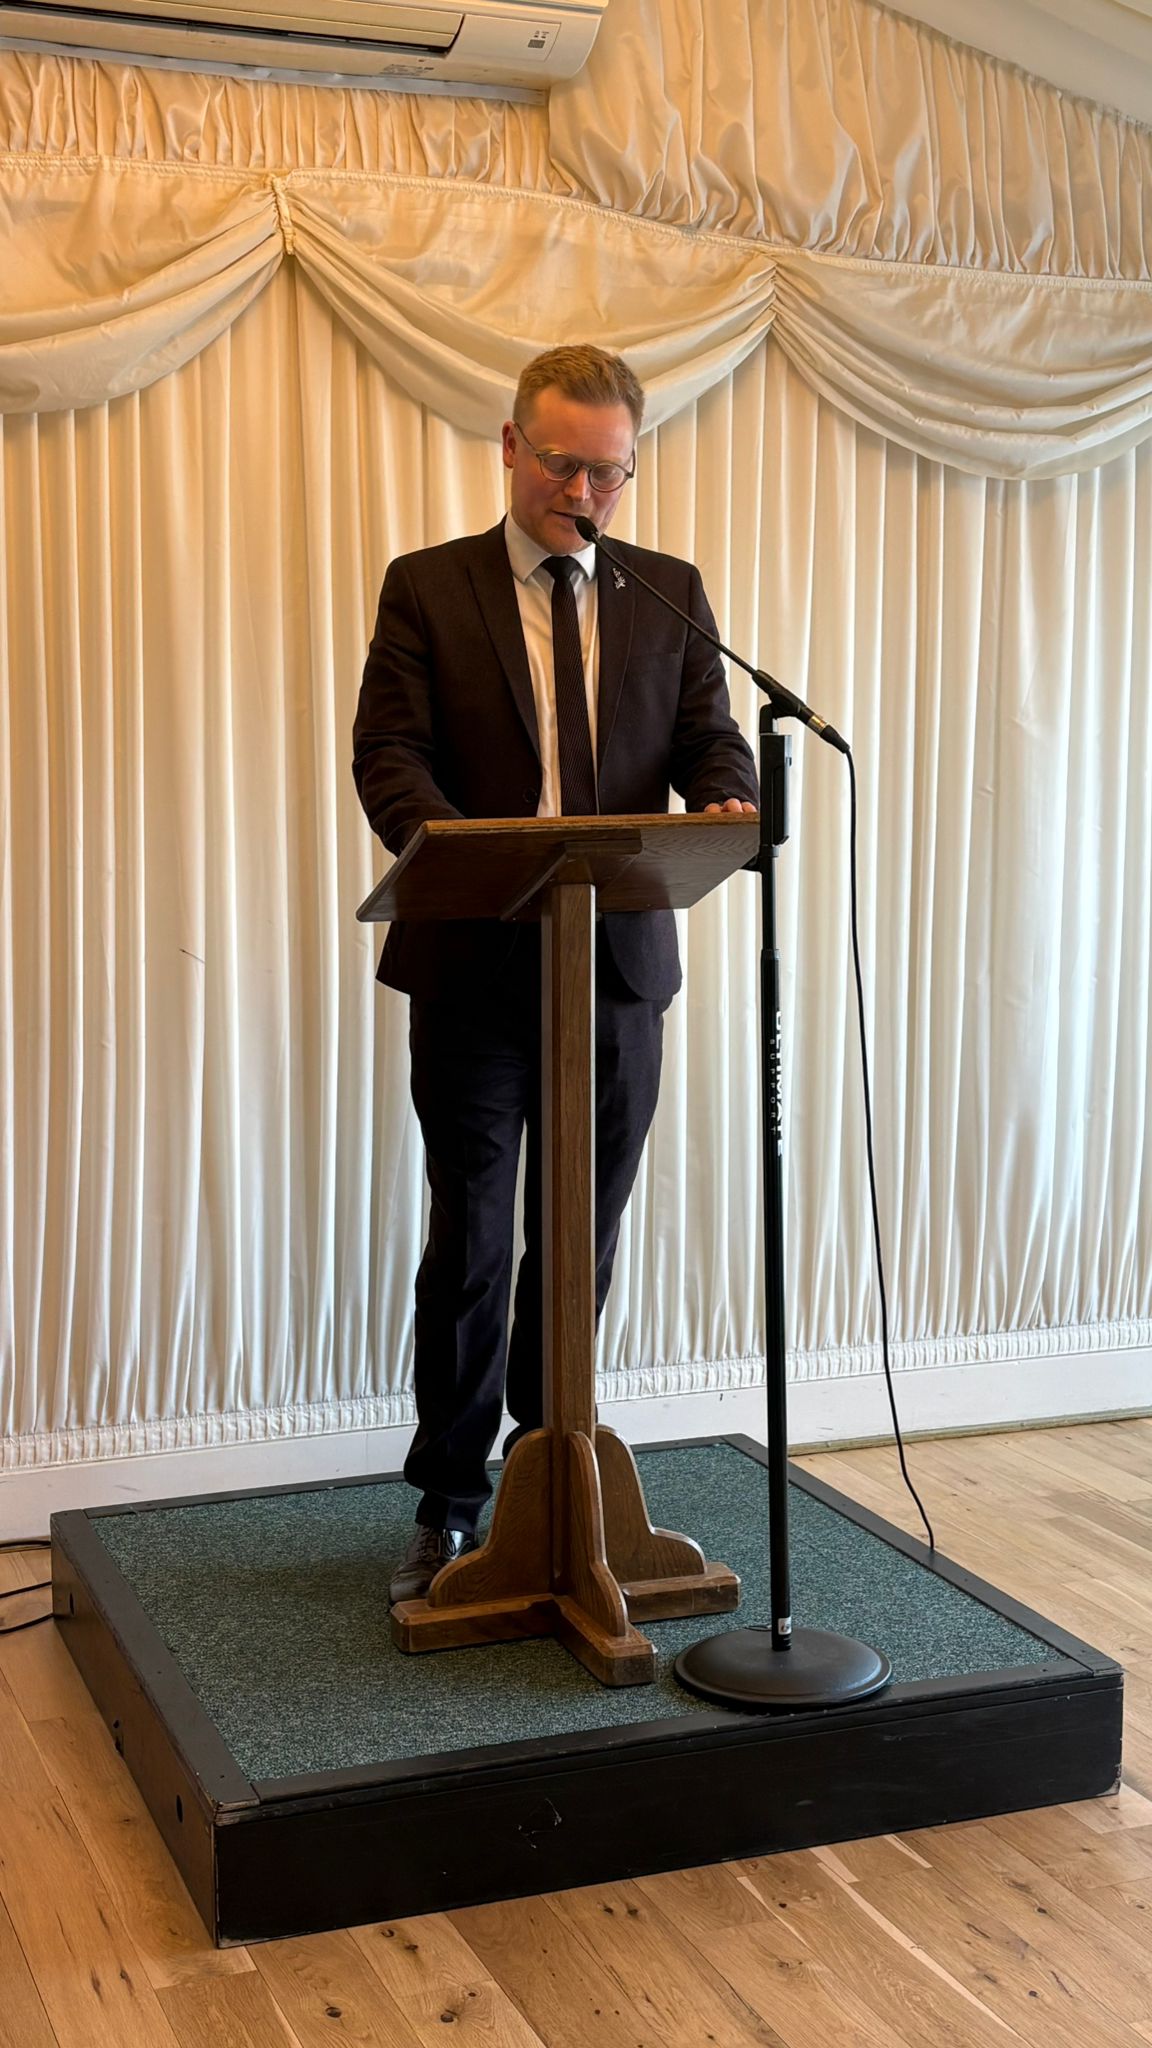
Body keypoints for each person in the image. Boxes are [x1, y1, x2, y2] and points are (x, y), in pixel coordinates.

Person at [353, 344, 758, 1605]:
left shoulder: (667, 594)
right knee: (474, 1238)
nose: (585, 492)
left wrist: (729, 794)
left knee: (581, 1239)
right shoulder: (429, 587)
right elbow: (388, 753)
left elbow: (708, 737)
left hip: (616, 968)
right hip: (476, 960)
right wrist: (454, 844)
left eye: (610, 471)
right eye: (563, 464)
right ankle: (451, 1497)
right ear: (511, 446)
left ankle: (553, 1468)